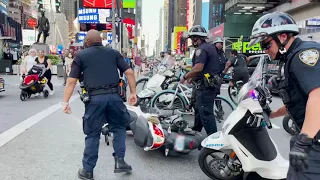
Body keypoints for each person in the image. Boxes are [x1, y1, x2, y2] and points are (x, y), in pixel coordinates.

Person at [248, 12, 320, 179]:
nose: (265, 51)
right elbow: (296, 103)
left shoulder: (304, 54)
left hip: (314, 141)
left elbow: (317, 95)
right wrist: (271, 114)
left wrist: (304, 140)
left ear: (283, 36)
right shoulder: (289, 60)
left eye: (266, 45)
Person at [62, 30, 137, 180]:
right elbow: (129, 72)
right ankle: (120, 161)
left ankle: (88, 170)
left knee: (93, 133)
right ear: (101, 40)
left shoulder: (81, 56)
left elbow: (71, 81)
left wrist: (66, 102)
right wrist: (133, 93)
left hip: (95, 100)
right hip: (115, 98)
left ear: (87, 42)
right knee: (119, 127)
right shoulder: (113, 53)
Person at [180, 25, 220, 135]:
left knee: (206, 112)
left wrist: (185, 77)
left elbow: (199, 67)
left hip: (206, 84)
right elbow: (205, 68)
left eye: (192, 39)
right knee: (198, 109)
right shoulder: (209, 47)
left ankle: (213, 140)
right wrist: (192, 77)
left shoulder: (201, 49)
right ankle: (195, 131)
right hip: (209, 81)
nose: (192, 41)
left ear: (197, 38)